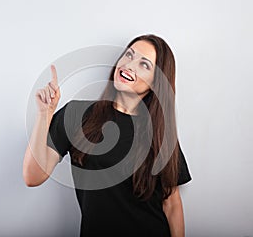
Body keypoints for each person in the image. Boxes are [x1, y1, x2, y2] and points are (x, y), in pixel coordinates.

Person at [23, 34, 192, 237]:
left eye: (144, 65)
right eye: (128, 55)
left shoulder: (160, 134)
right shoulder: (77, 115)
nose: (129, 65)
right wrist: (44, 115)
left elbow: (172, 203)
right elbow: (32, 177)